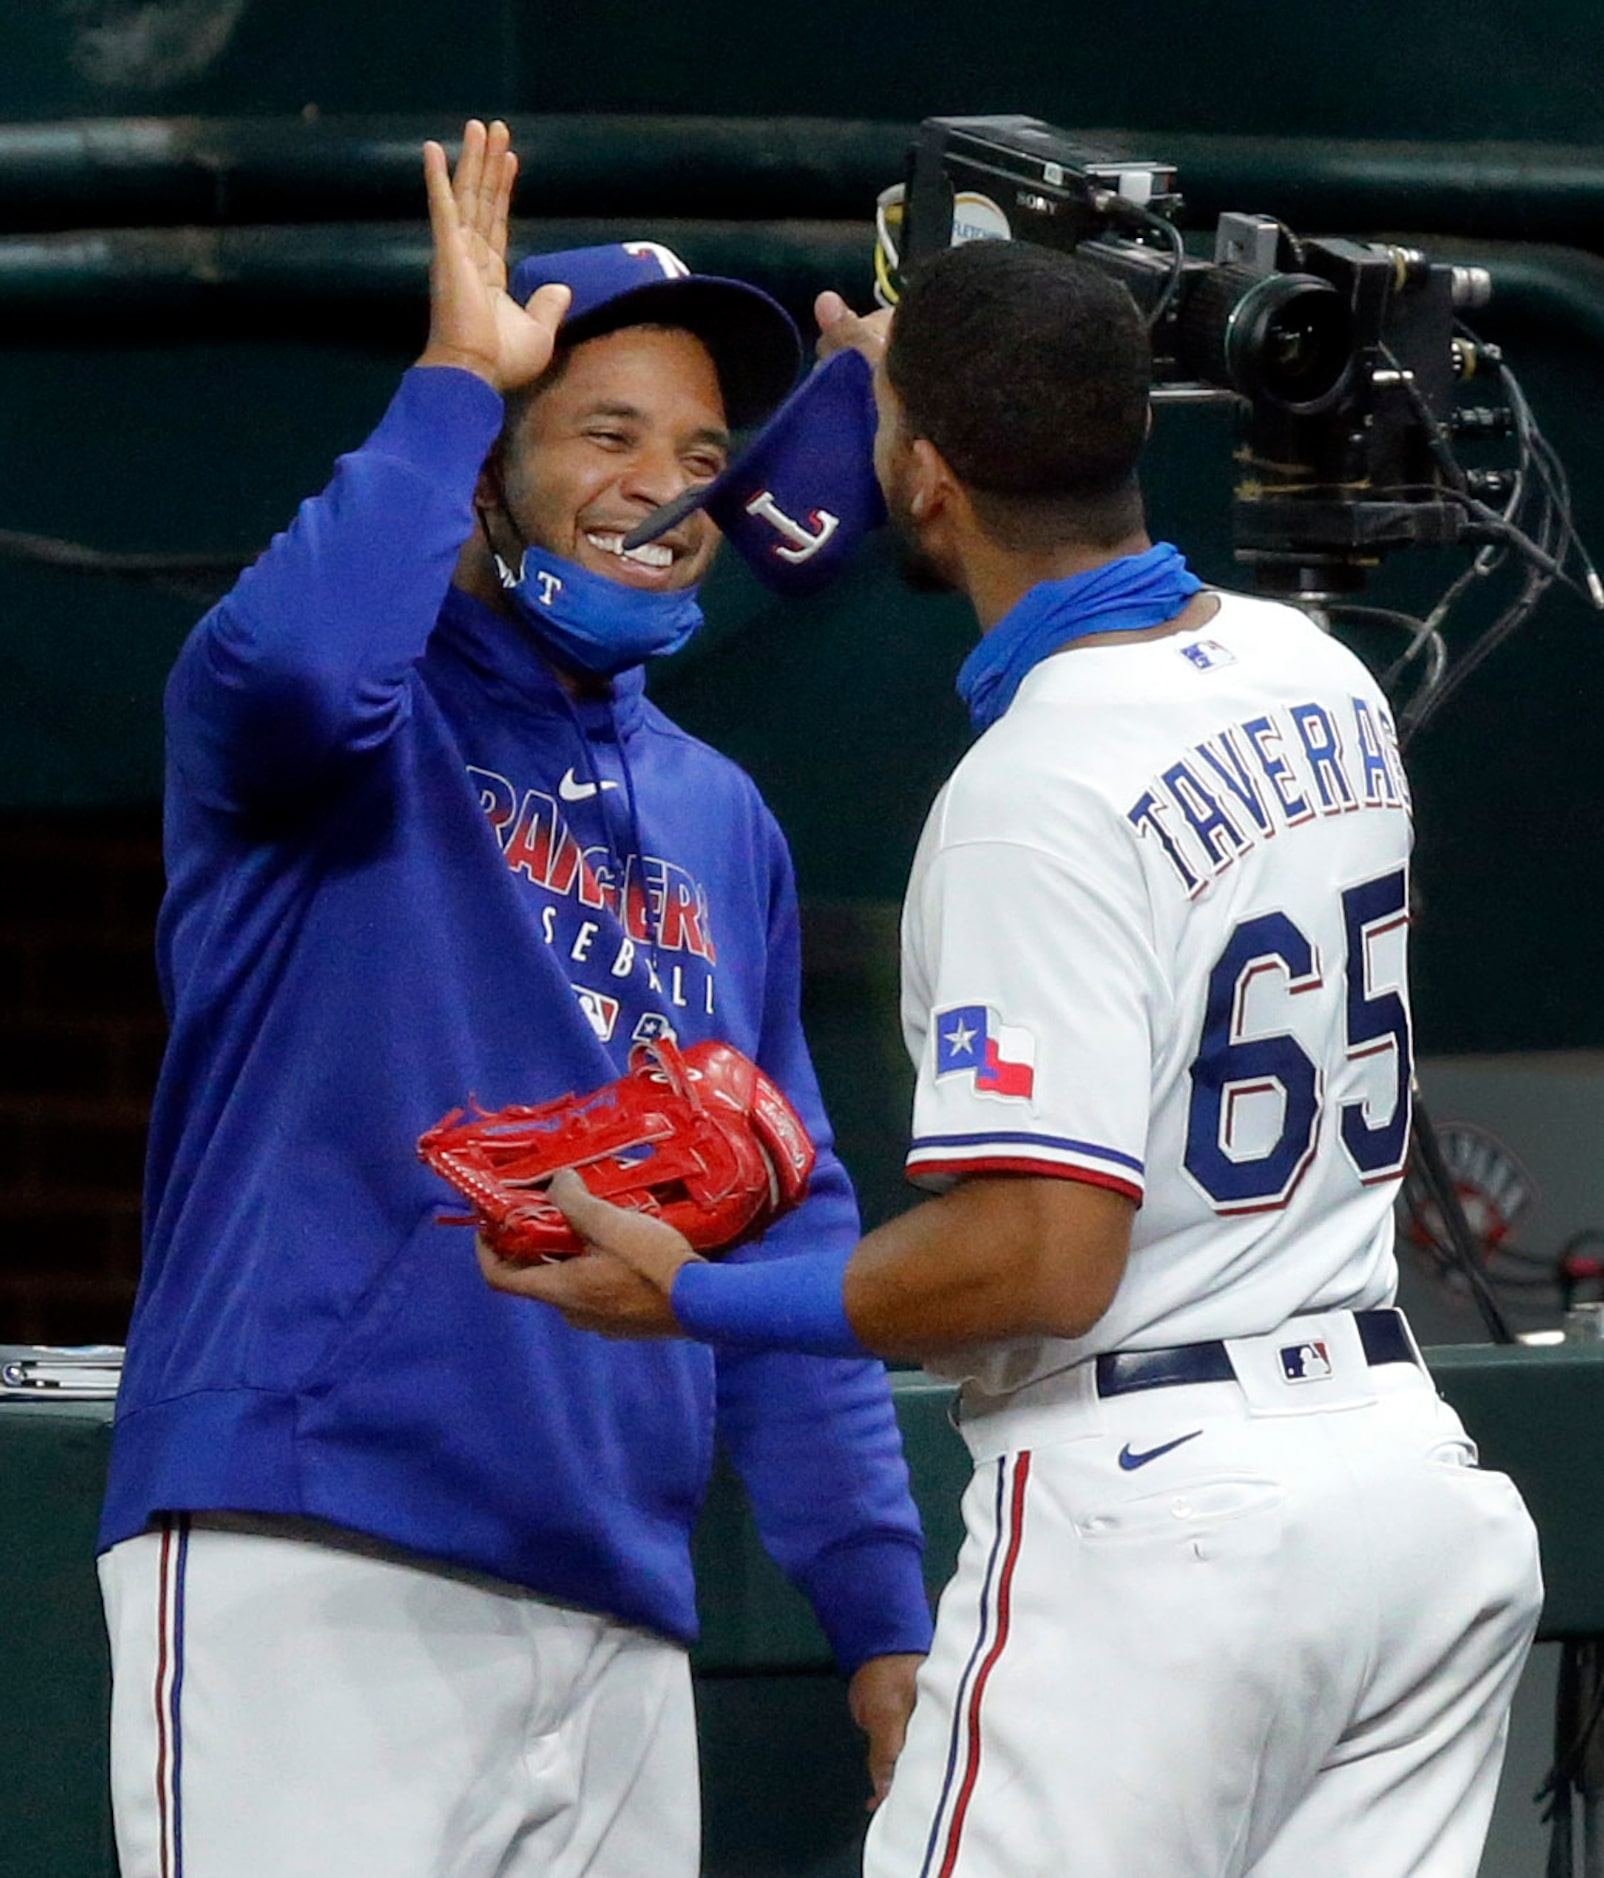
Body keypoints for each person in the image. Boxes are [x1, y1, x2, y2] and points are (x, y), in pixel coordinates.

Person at [484, 238, 1546, 1877]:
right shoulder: (1316, 673)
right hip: (1408, 1491)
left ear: (921, 480)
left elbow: (1041, 1253)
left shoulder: (1033, 785)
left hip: (1163, 1516)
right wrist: (929, 375)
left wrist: (691, 1296)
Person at [96, 119, 932, 1878]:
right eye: (603, 431)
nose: (665, 486)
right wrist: (449, 385)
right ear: (491, 465)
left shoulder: (721, 817)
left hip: (614, 1592)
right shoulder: (337, 729)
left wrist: (878, 1614)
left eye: (704, 451)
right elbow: (301, 670)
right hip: (314, 1533)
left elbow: (789, 1212)